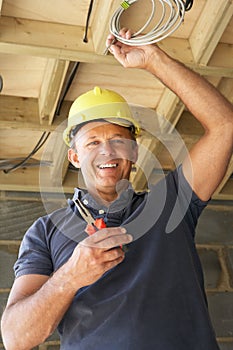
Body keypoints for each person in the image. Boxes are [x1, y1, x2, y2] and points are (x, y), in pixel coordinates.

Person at [1, 29, 233, 350]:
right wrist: (72, 276)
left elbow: (225, 125)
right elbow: (16, 338)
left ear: (135, 153)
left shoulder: (172, 204)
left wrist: (154, 59)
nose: (107, 152)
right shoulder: (45, 232)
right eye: (93, 143)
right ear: (75, 156)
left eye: (118, 142)